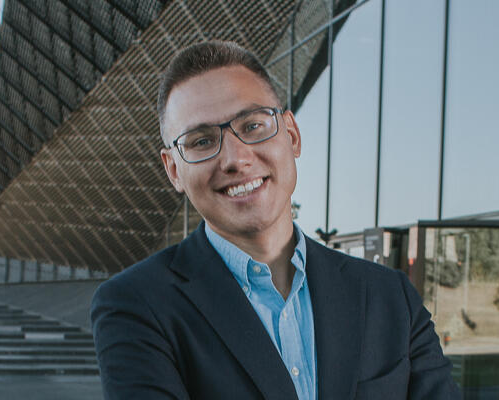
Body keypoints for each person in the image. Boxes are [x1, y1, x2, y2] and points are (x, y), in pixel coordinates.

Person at [91, 40, 461, 399]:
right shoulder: (136, 306)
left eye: (252, 126)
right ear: (174, 170)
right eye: (201, 141)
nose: (236, 159)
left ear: (292, 135)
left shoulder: (390, 298)